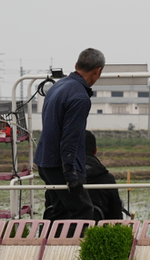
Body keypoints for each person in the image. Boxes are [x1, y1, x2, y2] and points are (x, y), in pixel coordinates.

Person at [34, 48, 105, 220]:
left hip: (45, 162)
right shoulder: (80, 97)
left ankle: (48, 245)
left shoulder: (58, 86)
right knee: (84, 212)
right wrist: (71, 176)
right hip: (60, 165)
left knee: (59, 212)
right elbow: (70, 139)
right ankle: (77, 247)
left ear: (76, 65)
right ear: (98, 71)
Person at [84, 130, 125, 220]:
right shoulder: (107, 179)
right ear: (95, 150)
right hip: (98, 232)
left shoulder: (56, 178)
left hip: (60, 232)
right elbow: (115, 215)